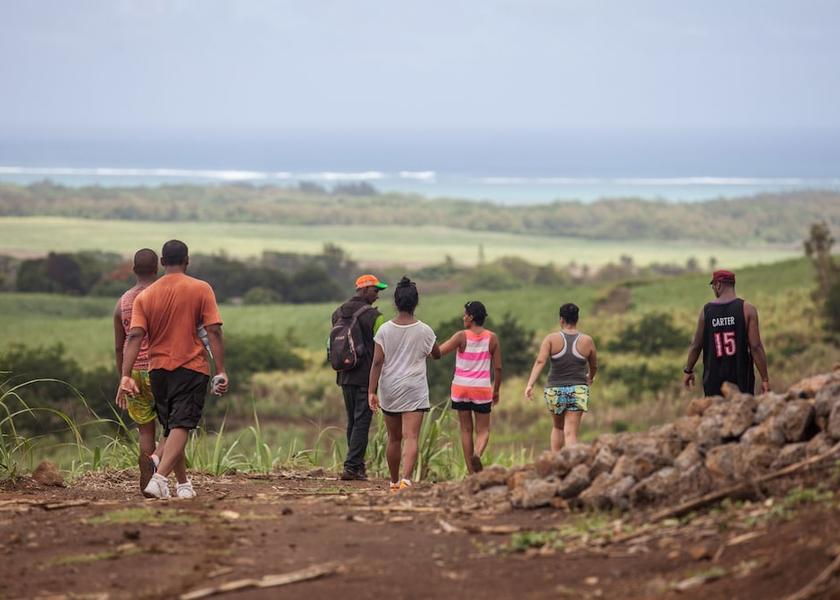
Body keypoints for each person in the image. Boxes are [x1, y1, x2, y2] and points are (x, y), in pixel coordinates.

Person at [117, 240, 228, 499]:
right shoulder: (201, 288)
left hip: (158, 372)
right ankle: (158, 478)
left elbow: (133, 337)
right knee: (182, 425)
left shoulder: (145, 296)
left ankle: (183, 484)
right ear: (187, 261)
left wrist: (125, 375)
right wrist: (221, 369)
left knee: (171, 428)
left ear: (163, 263)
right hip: (190, 367)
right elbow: (213, 330)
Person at [368, 277, 440, 492]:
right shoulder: (425, 330)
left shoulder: (384, 331)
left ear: (396, 302)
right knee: (411, 437)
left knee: (394, 438)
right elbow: (436, 354)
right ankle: (406, 480)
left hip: (390, 388)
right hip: (414, 389)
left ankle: (392, 482)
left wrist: (371, 391)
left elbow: (377, 362)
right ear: (416, 302)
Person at [114, 248, 167, 494]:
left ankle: (146, 484)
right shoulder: (163, 295)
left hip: (133, 372)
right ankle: (165, 478)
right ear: (157, 269)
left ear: (134, 270)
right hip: (162, 369)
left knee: (145, 431)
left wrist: (122, 379)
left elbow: (119, 346)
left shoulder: (123, 302)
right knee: (173, 427)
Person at [330, 274, 387, 480]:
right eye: (375, 290)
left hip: (344, 375)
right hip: (366, 377)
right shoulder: (375, 316)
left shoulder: (337, 313)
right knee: (362, 422)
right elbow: (383, 346)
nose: (378, 295)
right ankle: (352, 467)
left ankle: (357, 466)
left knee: (353, 421)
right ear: (363, 290)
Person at [437, 301, 502, 474]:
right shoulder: (492, 338)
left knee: (466, 429)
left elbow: (439, 352)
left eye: (465, 314)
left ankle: (471, 473)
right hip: (481, 389)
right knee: (483, 430)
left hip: (461, 388)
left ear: (471, 317)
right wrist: (496, 391)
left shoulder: (461, 336)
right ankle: (477, 454)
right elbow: (498, 368)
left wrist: (424, 346)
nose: (463, 317)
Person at [683, 269, 770, 396]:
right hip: (741, 381)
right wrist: (765, 379)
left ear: (718, 285)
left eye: (713, 286)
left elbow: (696, 345)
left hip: (713, 382)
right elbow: (756, 347)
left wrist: (688, 370)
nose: (713, 289)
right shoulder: (747, 309)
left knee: (716, 415)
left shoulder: (706, 311)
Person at [525, 303, 597, 451]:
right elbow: (594, 365)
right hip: (577, 390)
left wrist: (530, 384)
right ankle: (571, 464)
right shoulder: (587, 341)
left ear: (561, 320)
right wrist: (590, 377)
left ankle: (555, 463)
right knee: (570, 433)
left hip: (555, 390)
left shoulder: (551, 339)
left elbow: (540, 361)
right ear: (577, 319)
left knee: (558, 427)